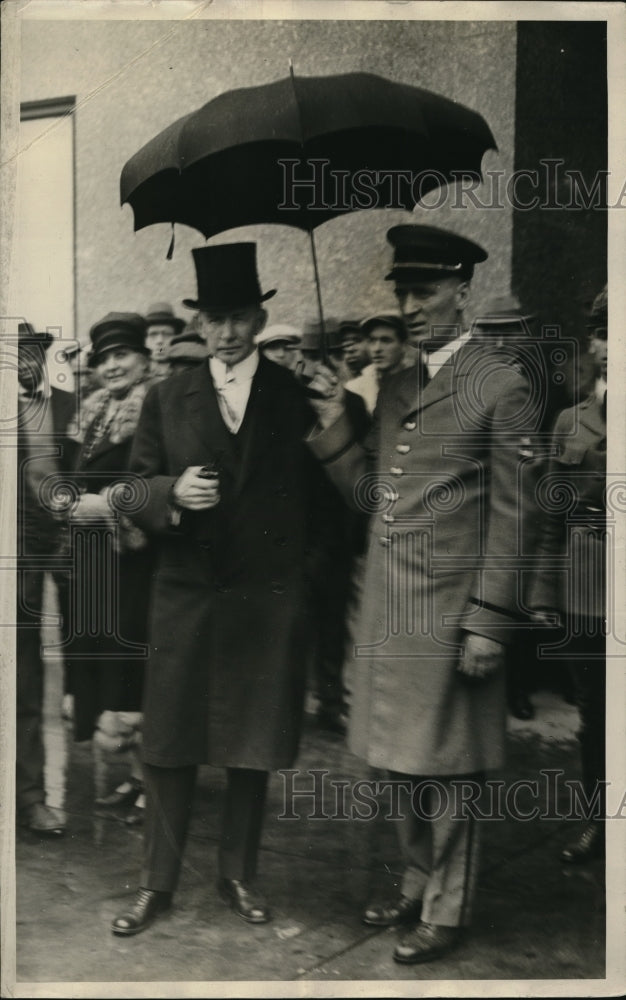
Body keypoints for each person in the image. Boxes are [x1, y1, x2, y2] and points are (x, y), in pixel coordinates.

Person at [307, 224, 542, 964]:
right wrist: (333, 424)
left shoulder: (498, 383)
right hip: (388, 611)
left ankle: (448, 906)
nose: (411, 305)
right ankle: (416, 882)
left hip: (450, 613)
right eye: (403, 292)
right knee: (394, 762)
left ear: (462, 291)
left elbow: (515, 514)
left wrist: (489, 622)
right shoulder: (399, 384)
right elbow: (372, 500)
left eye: (426, 290)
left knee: (448, 767)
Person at [111, 242, 323, 936]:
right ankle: (155, 884)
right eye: (215, 320)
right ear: (197, 323)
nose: (227, 333)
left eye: (239, 318)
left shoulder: (294, 396)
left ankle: (238, 874)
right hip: (186, 592)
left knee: (250, 742)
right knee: (169, 742)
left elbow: (322, 499)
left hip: (263, 596)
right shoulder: (167, 397)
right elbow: (133, 488)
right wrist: (172, 492)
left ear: (260, 318)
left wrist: (298, 584)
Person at [64, 313, 155, 825]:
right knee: (112, 674)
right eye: (104, 358)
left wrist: (107, 507)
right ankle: (139, 777)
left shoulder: (156, 408)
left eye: (122, 355)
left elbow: (155, 482)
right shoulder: (93, 411)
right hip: (95, 564)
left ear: (143, 359)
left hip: (136, 565)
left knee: (138, 674)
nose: (113, 365)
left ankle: (155, 784)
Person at [529, 285, 607, 864]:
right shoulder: (570, 422)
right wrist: (546, 593)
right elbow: (551, 519)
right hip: (586, 591)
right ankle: (598, 822)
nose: (608, 347)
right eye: (601, 335)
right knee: (596, 715)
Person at [16, 321, 75, 835]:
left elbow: (47, 483)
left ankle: (28, 796)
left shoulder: (41, 411)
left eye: (31, 355)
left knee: (25, 685)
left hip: (21, 570)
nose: (22, 364)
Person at [345, 311, 411, 414]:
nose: (377, 348)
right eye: (372, 340)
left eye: (386, 340)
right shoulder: (354, 389)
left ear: (404, 345)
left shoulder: (419, 384)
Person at [144, 301, 185, 382]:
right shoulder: (138, 375)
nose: (160, 341)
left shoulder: (184, 373)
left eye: (167, 334)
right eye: (153, 334)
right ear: (145, 341)